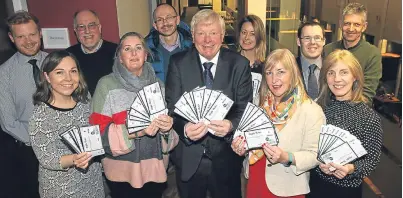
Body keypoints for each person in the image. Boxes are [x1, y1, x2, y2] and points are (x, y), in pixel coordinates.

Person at [165, 9, 253, 198]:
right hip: (188, 158)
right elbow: (171, 108)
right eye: (201, 33)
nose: (207, 40)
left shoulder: (239, 65)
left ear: (222, 36)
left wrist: (230, 125)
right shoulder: (178, 63)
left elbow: (244, 108)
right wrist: (185, 128)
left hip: (226, 158)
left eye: (213, 33)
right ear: (192, 35)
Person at [90, 32, 179, 198]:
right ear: (119, 57)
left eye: (138, 48)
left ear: (146, 55)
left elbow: (168, 137)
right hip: (121, 173)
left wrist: (167, 130)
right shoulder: (106, 85)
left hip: (155, 170)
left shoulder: (158, 85)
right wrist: (137, 130)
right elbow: (97, 134)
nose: (133, 53)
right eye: (127, 49)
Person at [232, 49, 325, 198]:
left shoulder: (311, 110)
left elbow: (316, 155)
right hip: (255, 180)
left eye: (281, 72)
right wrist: (241, 147)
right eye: (269, 73)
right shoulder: (259, 102)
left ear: (293, 74)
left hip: (286, 188)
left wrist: (286, 157)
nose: (274, 79)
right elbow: (248, 139)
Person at [307, 49, 383, 198]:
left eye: (344, 72)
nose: (337, 79)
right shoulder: (318, 109)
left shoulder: (368, 117)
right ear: (325, 78)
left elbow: (372, 159)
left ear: (355, 76)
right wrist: (316, 162)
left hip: (346, 191)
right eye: (331, 73)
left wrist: (351, 168)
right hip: (315, 185)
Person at [29, 50, 104, 198]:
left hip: (92, 181)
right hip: (61, 188)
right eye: (59, 72)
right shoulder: (40, 116)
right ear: (47, 77)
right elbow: (47, 158)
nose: (68, 78)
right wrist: (74, 159)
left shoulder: (85, 102)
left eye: (73, 71)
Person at [0, 11, 47, 198]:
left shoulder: (59, 62)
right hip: (28, 152)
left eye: (32, 34)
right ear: (12, 38)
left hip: (64, 145)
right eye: (21, 36)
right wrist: (41, 142)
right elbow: (8, 122)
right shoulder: (4, 74)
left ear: (40, 33)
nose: (28, 41)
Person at [324, 2, 382, 104]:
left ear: (364, 26)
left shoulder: (372, 54)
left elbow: (367, 93)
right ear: (341, 24)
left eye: (357, 24)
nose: (351, 29)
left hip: (357, 111)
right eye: (347, 23)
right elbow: (323, 85)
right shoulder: (328, 50)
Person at [66, 9, 118, 95]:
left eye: (91, 25)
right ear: (75, 31)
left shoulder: (117, 52)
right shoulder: (68, 56)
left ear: (99, 28)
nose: (87, 31)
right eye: (81, 27)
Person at [146, 3, 193, 82]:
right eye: (160, 19)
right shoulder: (146, 49)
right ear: (155, 25)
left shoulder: (193, 46)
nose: (165, 23)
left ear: (177, 20)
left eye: (169, 17)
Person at [237, 14, 266, 105]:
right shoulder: (230, 63)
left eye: (252, 34)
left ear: (259, 37)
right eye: (244, 32)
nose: (246, 37)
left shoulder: (266, 67)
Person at [296, 21, 326, 99]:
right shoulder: (289, 68)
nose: (312, 42)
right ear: (299, 42)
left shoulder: (332, 67)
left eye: (317, 38)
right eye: (307, 38)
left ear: (324, 41)